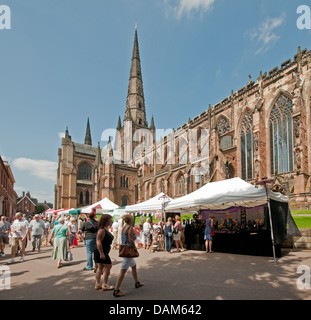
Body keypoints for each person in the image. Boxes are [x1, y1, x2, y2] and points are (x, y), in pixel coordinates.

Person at [113, 214, 144, 297]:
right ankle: (116, 289)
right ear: (131, 220)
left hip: (124, 247)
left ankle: (137, 282)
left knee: (133, 265)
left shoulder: (124, 227)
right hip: (128, 249)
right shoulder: (129, 227)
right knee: (123, 270)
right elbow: (130, 239)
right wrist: (134, 248)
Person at [94, 214, 114, 291]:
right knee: (108, 266)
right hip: (101, 251)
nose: (111, 221)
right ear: (106, 220)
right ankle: (104, 284)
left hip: (102, 250)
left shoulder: (105, 228)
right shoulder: (102, 230)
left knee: (100, 267)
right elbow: (98, 241)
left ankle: (98, 284)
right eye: (110, 219)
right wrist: (101, 253)